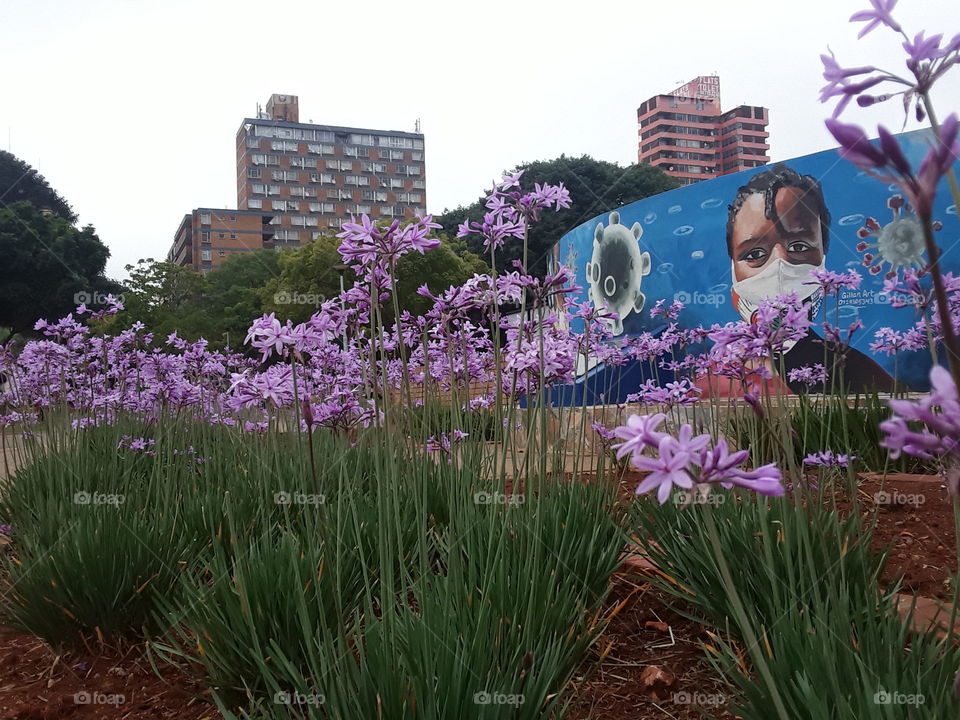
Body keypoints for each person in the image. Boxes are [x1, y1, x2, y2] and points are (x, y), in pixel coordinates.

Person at [723, 163, 894, 394]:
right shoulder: (714, 380)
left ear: (823, 257)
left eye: (799, 246)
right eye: (754, 254)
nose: (780, 264)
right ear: (733, 268)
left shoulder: (857, 372)